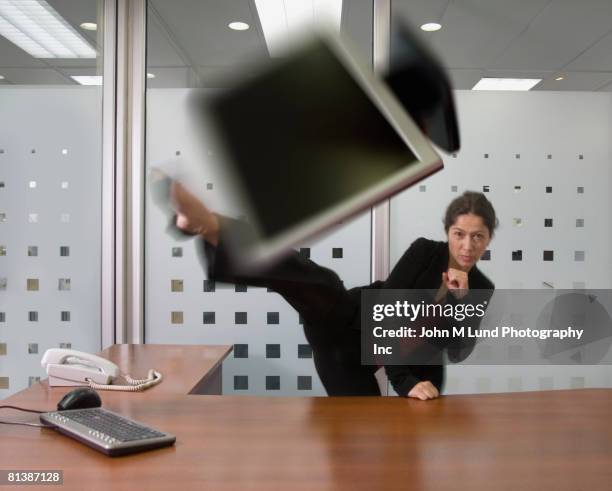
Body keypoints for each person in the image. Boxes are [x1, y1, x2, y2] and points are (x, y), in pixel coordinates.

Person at [172, 186, 496, 400]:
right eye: (459, 234)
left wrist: (462, 303)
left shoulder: (481, 288)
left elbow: (458, 351)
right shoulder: (425, 251)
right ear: (448, 232)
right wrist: (403, 381)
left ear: (489, 238)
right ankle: (213, 227)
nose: (467, 246)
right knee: (311, 280)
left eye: (478, 237)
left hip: (351, 363)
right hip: (350, 321)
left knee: (363, 440)